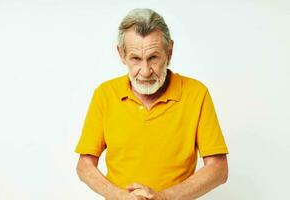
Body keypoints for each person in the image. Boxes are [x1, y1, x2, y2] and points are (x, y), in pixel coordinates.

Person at [74, 8, 229, 200]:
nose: (146, 71)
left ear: (169, 52)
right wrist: (120, 196)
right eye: (136, 59)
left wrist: (164, 197)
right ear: (121, 55)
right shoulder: (105, 94)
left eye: (153, 57)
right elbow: (84, 165)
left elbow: (218, 169)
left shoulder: (197, 94)